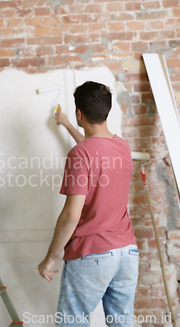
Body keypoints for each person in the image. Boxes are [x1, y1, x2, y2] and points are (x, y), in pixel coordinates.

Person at [37, 81, 138, 326]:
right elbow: (94, 147)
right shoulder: (122, 147)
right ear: (107, 110)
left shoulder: (80, 155)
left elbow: (71, 215)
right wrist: (68, 125)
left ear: (80, 112)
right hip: (127, 254)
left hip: (93, 254)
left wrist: (50, 257)